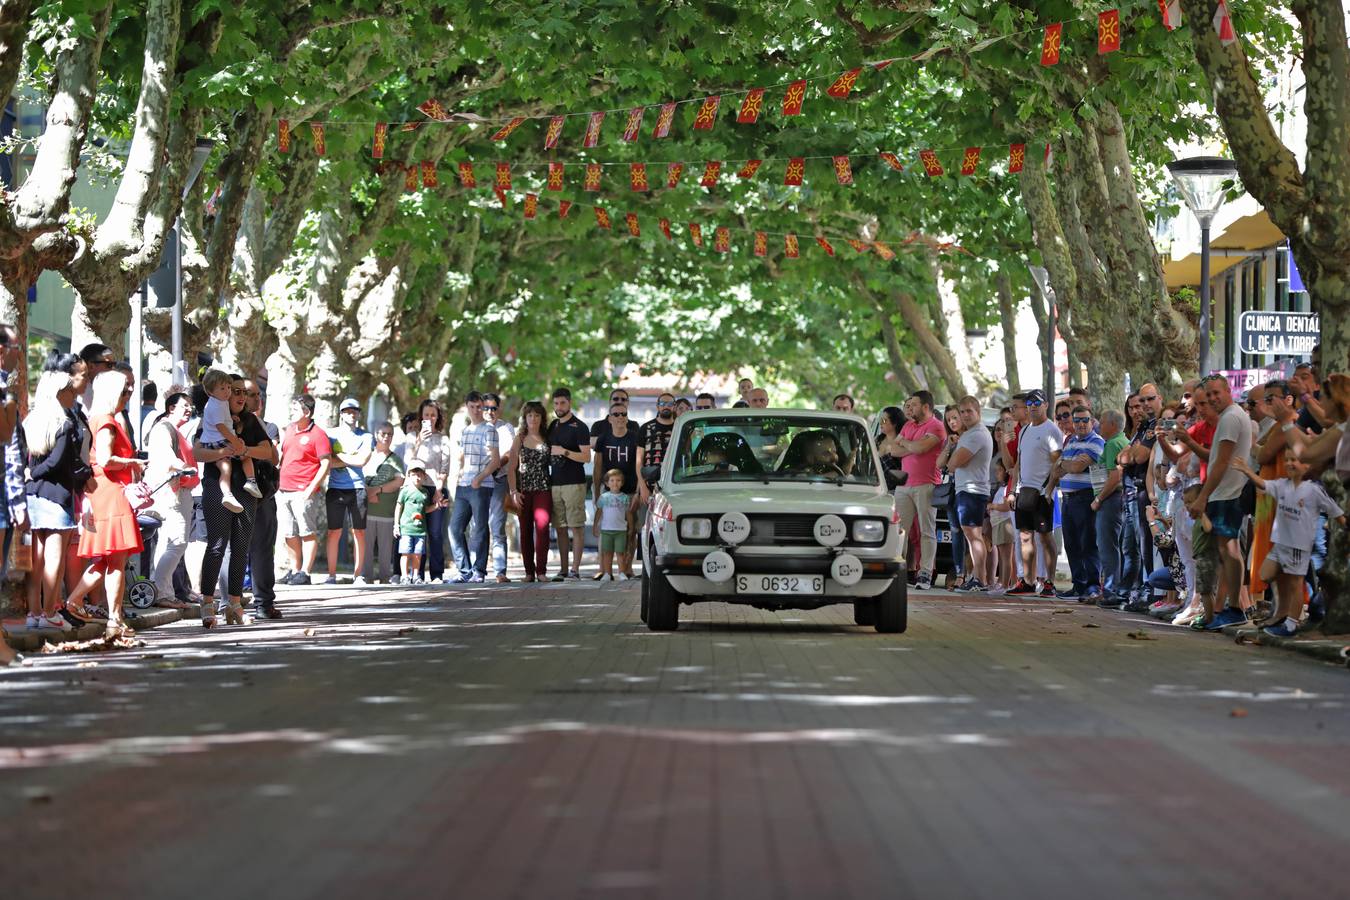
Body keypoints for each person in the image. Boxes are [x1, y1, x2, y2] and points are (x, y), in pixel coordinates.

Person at [61, 371, 143, 639]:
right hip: (110, 492)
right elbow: (106, 459)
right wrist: (134, 463)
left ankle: (78, 602)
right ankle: (113, 618)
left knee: (110, 558)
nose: (128, 395)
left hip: (102, 491)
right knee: (116, 559)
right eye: (125, 391)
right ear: (113, 393)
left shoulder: (97, 419)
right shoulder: (106, 421)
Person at [1232, 451, 1344, 636]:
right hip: (1280, 543)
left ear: (1307, 466)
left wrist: (1343, 527)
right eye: (1288, 460)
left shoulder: (1313, 490)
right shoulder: (1282, 485)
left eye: (1296, 460)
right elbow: (1263, 484)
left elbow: (1335, 511)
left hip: (1298, 545)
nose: (1290, 463)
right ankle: (1283, 611)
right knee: (1266, 573)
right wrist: (1246, 470)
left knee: (1295, 584)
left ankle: (1291, 624)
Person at [194, 375, 272, 627]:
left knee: (241, 548)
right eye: (233, 390)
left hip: (247, 490)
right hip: (217, 487)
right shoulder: (212, 416)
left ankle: (234, 605)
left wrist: (244, 449)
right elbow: (196, 452)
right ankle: (207, 603)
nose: (239, 395)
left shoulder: (250, 420)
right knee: (217, 545)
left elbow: (270, 453)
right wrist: (222, 452)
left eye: (243, 392)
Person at [23, 367, 91, 630]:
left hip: (33, 496)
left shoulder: (31, 422)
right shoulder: (63, 424)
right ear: (59, 393)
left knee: (36, 559)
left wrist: (29, 475)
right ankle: (50, 611)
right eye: (69, 390)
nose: (73, 395)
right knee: (54, 558)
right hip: (56, 495)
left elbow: (28, 459)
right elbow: (58, 462)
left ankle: (35, 613)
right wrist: (35, 473)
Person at [1187, 375, 1253, 630]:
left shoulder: (1231, 417)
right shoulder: (1230, 417)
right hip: (1223, 494)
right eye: (1209, 395)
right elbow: (1215, 457)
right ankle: (1228, 608)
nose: (1213, 398)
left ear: (1228, 390)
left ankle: (1235, 608)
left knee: (1230, 552)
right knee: (1226, 554)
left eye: (1217, 393)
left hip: (1227, 495)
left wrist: (1203, 496)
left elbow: (1222, 462)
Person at [144, 391, 200, 609]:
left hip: (178, 492)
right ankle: (161, 592)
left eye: (190, 405)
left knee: (170, 543)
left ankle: (163, 592)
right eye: (184, 405)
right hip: (171, 493)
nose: (189, 409)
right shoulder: (163, 428)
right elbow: (166, 457)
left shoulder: (174, 429)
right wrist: (184, 468)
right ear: (171, 407)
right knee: (177, 542)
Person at [889, 391, 946, 591]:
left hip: (927, 485)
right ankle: (896, 569)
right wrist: (911, 445)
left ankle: (925, 573)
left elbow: (921, 449)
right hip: (904, 486)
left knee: (926, 530)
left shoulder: (937, 427)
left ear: (925, 407)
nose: (910, 408)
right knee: (898, 529)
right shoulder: (908, 425)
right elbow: (893, 450)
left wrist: (906, 443)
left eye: (913, 405)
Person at [1047, 404, 1104, 601]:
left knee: (1087, 544)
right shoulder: (1070, 441)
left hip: (1085, 497)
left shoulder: (1097, 442)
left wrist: (1066, 465)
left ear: (1092, 421)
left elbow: (1078, 467)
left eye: (1084, 420)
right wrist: (1066, 465)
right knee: (1071, 544)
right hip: (1068, 499)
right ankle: (1078, 585)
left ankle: (1092, 586)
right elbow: (1056, 469)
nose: (1080, 424)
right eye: (1077, 420)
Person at [1009, 389, 1062, 597]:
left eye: (1037, 403)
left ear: (1046, 405)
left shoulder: (1052, 430)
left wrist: (1049, 489)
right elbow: (1019, 463)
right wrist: (1013, 490)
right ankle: (1027, 581)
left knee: (1045, 537)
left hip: (1042, 493)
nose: (1033, 407)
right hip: (1024, 491)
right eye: (1029, 403)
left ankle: (1049, 581)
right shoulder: (1024, 430)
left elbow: (1057, 462)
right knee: (1024, 536)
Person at [276, 394, 332, 586]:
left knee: (307, 531)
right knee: (289, 533)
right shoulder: (289, 430)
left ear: (306, 412)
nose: (292, 412)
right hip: (283, 490)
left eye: (295, 409)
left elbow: (326, 463)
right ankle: (295, 570)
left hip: (304, 491)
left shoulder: (318, 434)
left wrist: (312, 487)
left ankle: (306, 572)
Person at [448, 391, 500, 583]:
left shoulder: (489, 430)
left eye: (480, 407)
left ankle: (479, 570)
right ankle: (464, 571)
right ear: (466, 408)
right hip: (463, 486)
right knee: (454, 529)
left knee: (479, 528)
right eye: (472, 407)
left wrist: (480, 478)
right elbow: (462, 457)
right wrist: (459, 474)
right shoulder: (465, 431)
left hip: (481, 485)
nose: (476, 411)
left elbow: (495, 461)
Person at [242, 379, 283, 618]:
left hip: (263, 493)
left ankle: (263, 603)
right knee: (231, 550)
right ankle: (229, 603)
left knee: (262, 550)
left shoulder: (262, 424)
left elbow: (273, 456)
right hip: (236, 492)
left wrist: (247, 450)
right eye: (250, 394)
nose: (257, 399)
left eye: (259, 395)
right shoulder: (221, 421)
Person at [945, 396, 994, 592]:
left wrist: (952, 462)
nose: (965, 415)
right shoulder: (968, 433)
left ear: (978, 412)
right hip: (966, 490)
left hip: (973, 491)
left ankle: (979, 579)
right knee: (971, 536)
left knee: (974, 536)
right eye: (962, 411)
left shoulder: (977, 434)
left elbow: (954, 463)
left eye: (969, 411)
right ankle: (977, 578)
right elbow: (950, 463)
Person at [324, 397, 373, 585]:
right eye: (347, 411)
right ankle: (331, 575)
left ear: (359, 414)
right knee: (333, 532)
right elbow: (327, 462)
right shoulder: (330, 435)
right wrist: (351, 457)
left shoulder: (366, 436)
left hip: (358, 488)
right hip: (335, 488)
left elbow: (362, 461)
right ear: (341, 414)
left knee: (359, 532)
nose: (351, 414)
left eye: (354, 411)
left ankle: (358, 575)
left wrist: (340, 457)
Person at [198, 368, 260, 513]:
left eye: (228, 388)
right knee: (243, 454)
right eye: (223, 388)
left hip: (216, 441)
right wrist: (234, 441)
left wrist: (230, 419)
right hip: (218, 441)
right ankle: (250, 481)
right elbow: (220, 427)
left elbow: (221, 421)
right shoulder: (216, 405)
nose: (227, 391)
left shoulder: (220, 403)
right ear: (210, 392)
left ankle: (229, 493)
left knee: (226, 467)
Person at [546, 387, 590, 580]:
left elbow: (587, 457)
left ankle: (575, 570)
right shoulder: (552, 426)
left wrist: (564, 451)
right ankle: (563, 569)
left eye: (562, 403)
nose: (559, 407)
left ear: (569, 403)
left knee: (576, 526)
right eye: (556, 403)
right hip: (555, 483)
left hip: (575, 483)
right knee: (560, 528)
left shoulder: (579, 426)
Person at [592, 400, 639, 579]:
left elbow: (639, 464)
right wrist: (597, 491)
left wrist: (638, 491)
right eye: (616, 414)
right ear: (609, 418)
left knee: (631, 530)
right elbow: (597, 466)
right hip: (608, 493)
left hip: (629, 492)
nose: (620, 417)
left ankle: (626, 568)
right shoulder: (603, 438)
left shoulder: (634, 437)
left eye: (624, 414)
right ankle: (604, 570)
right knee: (606, 529)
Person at [507, 401, 552, 582]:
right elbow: (511, 468)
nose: (533, 419)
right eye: (530, 415)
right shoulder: (520, 438)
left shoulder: (548, 437)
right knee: (525, 531)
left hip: (543, 489)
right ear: (525, 418)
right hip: (524, 491)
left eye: (537, 415)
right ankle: (529, 573)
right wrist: (513, 492)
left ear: (542, 418)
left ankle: (541, 571)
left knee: (542, 528)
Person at [1089, 410, 1129, 607]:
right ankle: (1113, 588)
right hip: (1116, 499)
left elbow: (1115, 476)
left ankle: (1111, 590)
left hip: (1111, 499)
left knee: (1107, 546)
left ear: (1113, 425)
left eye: (1102, 422)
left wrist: (1099, 498)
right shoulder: (1121, 440)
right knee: (1116, 546)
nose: (1099, 426)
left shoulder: (1114, 443)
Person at [409, 399, 452, 581]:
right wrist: (419, 441)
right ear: (421, 416)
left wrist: (439, 489)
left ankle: (436, 573)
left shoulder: (443, 439)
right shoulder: (413, 437)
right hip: (417, 489)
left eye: (433, 415)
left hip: (437, 488)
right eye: (426, 414)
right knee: (418, 531)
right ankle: (417, 573)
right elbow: (409, 462)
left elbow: (445, 466)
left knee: (435, 533)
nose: (429, 418)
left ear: (438, 417)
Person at [362, 422, 405, 585]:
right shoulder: (367, 456)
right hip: (366, 511)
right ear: (376, 434)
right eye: (383, 433)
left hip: (387, 512)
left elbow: (399, 482)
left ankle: (385, 578)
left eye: (390, 434)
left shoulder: (395, 459)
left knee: (386, 550)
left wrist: (377, 489)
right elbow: (359, 478)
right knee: (366, 548)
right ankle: (366, 576)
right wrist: (369, 493)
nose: (386, 437)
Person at [482, 392, 515, 583]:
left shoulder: (505, 428)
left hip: (499, 481)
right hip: (478, 482)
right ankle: (477, 570)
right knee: (477, 526)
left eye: (494, 408)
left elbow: (509, 453)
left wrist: (492, 468)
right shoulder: (474, 429)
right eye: (486, 408)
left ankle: (500, 571)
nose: (490, 412)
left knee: (497, 526)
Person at [393, 462, 433, 584]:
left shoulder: (425, 493)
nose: (417, 477)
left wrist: (436, 506)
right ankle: (404, 576)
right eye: (414, 475)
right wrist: (396, 525)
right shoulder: (405, 491)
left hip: (420, 530)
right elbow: (398, 507)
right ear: (409, 476)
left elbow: (425, 510)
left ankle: (415, 576)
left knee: (418, 554)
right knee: (405, 553)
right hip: (406, 529)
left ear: (424, 476)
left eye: (420, 475)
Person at [592, 469, 632, 581]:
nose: (615, 483)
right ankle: (607, 574)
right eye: (612, 480)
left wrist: (631, 527)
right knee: (607, 553)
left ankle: (622, 573)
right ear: (607, 483)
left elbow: (628, 513)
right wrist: (595, 526)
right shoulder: (604, 497)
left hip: (621, 530)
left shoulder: (624, 497)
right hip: (606, 530)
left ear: (622, 483)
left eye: (618, 480)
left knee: (620, 553)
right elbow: (599, 512)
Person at [987, 458, 1015, 591]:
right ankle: (1001, 581)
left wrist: (992, 505)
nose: (997, 473)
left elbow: (1006, 507)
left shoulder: (1007, 489)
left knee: (1006, 556)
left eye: (999, 470)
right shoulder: (1002, 488)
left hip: (1004, 523)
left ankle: (1005, 584)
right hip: (998, 524)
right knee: (1003, 555)